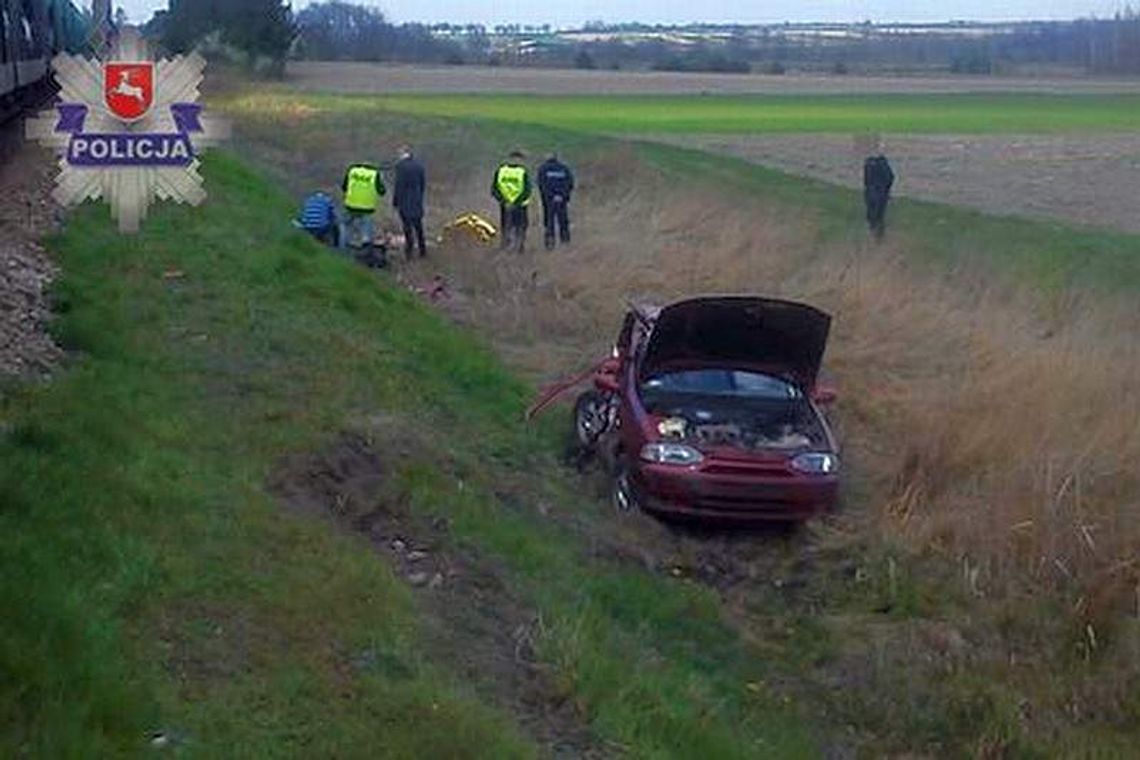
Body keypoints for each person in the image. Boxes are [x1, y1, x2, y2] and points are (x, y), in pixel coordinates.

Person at [341, 162, 387, 259]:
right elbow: (382, 191)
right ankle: (365, 252)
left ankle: (343, 248)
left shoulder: (352, 171)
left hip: (351, 205)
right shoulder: (374, 174)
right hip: (366, 208)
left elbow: (344, 187)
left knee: (345, 226)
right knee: (366, 229)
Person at [491, 149, 532, 253]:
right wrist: (513, 202)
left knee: (509, 226)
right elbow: (527, 190)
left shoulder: (501, 171)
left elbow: (495, 189)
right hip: (518, 205)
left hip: (507, 205)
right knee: (518, 226)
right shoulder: (522, 172)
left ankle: (511, 246)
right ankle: (514, 247)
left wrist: (505, 201)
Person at [393, 145, 427, 258]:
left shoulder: (400, 166)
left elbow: (399, 185)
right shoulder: (419, 166)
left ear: (402, 153)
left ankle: (409, 250)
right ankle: (423, 249)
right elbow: (423, 184)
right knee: (418, 226)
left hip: (405, 201)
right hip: (416, 200)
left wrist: (396, 200)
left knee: (407, 227)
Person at [537, 152, 575, 250]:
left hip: (548, 201)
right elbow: (570, 183)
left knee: (549, 221)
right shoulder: (564, 168)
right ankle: (565, 242)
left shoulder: (543, 169)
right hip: (562, 200)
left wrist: (550, 196)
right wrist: (563, 195)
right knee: (563, 221)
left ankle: (550, 243)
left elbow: (541, 185)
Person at [863, 153, 895, 241]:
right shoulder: (883, 164)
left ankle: (872, 232)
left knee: (871, 213)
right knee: (880, 215)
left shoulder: (868, 164)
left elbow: (866, 181)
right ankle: (879, 236)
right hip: (881, 192)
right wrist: (887, 190)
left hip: (870, 192)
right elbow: (891, 177)